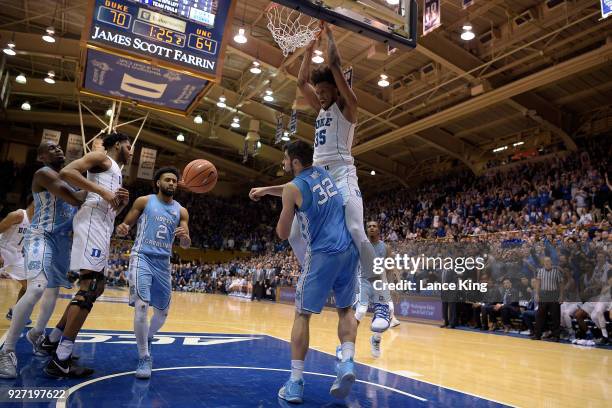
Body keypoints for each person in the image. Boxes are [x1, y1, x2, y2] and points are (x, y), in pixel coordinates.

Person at [250, 23, 391, 332]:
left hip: (342, 174)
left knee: (356, 227)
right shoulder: (321, 110)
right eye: (319, 93)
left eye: (326, 92)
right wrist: (308, 48)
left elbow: (336, 66)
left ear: (337, 90)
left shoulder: (348, 108)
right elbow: (301, 80)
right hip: (319, 177)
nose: (321, 97)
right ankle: (314, 272)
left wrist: (328, 38)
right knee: (296, 233)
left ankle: (383, 302)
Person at [275, 141, 359, 404]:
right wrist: (267, 190)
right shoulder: (323, 172)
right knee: (346, 309)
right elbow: (296, 187)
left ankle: (296, 382)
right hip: (348, 250)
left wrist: (287, 209)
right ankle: (346, 362)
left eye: (286, 159)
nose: (284, 163)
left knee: (302, 315)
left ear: (295, 162)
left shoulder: (292, 188)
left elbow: (282, 232)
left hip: (323, 255)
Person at [43, 132, 130, 378]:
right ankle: (61, 359)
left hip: (100, 225)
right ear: (117, 145)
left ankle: (54, 339)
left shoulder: (115, 169)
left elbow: (106, 200)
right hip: (92, 223)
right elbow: (68, 172)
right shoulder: (101, 157)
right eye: (129, 145)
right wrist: (103, 192)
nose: (132, 150)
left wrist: (119, 202)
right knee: (90, 286)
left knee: (96, 286)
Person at [0, 141, 85, 379]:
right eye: (51, 148)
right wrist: (100, 186)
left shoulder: (71, 176)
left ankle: (37, 335)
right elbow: (76, 199)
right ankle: (6, 351)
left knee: (52, 292)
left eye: (59, 147)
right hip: (41, 236)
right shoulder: (43, 173)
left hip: (62, 242)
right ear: (41, 157)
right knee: (36, 287)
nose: (58, 149)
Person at [116, 167, 190, 379]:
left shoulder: (181, 211)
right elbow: (126, 224)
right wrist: (122, 228)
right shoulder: (144, 201)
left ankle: (148, 337)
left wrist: (185, 238)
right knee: (141, 306)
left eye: (175, 181)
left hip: (163, 262)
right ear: (158, 182)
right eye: (167, 180)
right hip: (142, 257)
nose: (172, 183)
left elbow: (186, 243)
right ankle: (143, 356)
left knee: (162, 313)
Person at [0, 199, 33, 320]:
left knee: (32, 286)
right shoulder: (18, 215)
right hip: (3, 252)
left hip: (16, 256)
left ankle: (15, 312)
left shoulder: (37, 222)